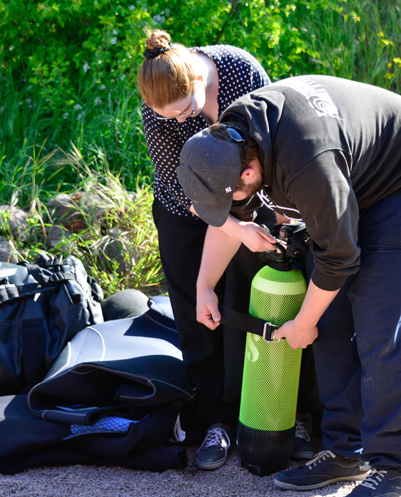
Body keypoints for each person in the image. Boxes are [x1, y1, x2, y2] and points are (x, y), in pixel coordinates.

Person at [175, 75, 401, 497]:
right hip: (346, 179)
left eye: (231, 199)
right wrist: (205, 286)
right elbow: (235, 223)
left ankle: (397, 463)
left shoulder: (305, 159)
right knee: (332, 327)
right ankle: (345, 452)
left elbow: (340, 256)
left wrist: (303, 321)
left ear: (249, 171)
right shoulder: (229, 140)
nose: (229, 209)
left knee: (382, 330)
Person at [138, 29, 312, 470]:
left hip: (250, 197)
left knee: (251, 303)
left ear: (198, 77)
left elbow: (268, 145)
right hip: (185, 211)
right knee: (198, 314)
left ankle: (283, 415)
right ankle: (215, 421)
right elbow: (185, 192)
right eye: (170, 117)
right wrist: (233, 229)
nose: (180, 121)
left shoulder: (238, 68)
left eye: (186, 111)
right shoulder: (159, 111)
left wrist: (247, 222)